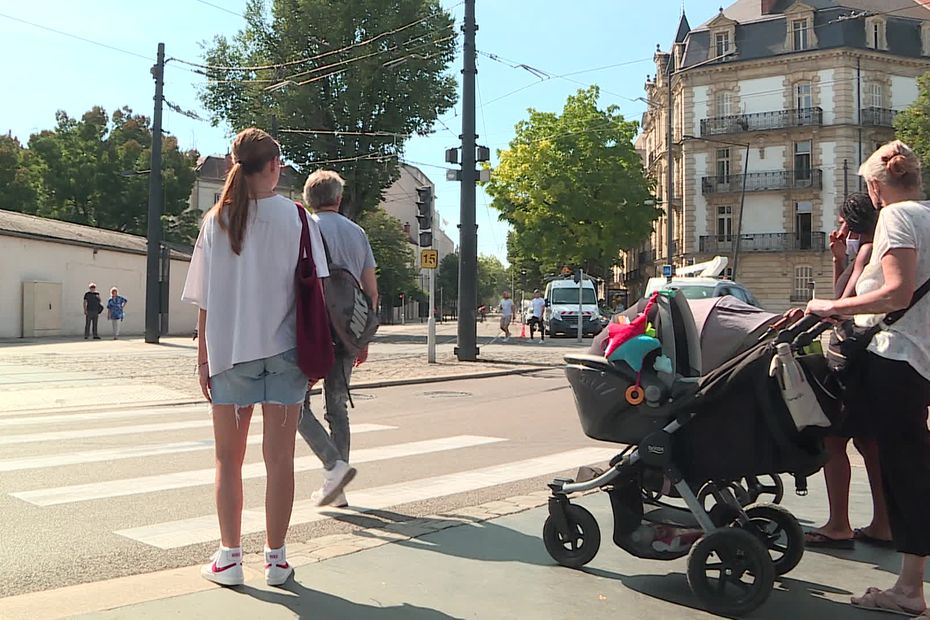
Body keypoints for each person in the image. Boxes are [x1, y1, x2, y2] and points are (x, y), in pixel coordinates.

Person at [181, 128, 329, 588]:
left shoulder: (215, 221)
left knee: (229, 461)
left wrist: (204, 357)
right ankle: (277, 561)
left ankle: (229, 559)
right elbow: (315, 288)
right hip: (286, 353)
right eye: (278, 164)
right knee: (279, 461)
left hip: (229, 355)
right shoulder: (299, 219)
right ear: (272, 167)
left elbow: (203, 300)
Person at [806, 141, 930, 618]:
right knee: (910, 462)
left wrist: (830, 306)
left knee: (906, 470)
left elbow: (895, 293)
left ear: (876, 187)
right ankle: (909, 580)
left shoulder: (897, 217)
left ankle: (909, 589)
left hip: (893, 358)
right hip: (919, 359)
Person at [805, 192, 891, 549]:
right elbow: (846, 292)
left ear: (853, 222)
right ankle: (883, 524)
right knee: (870, 443)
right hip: (873, 359)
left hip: (853, 361)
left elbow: (841, 301)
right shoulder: (871, 252)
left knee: (834, 439)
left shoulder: (868, 251)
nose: (839, 229)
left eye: (842, 222)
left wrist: (817, 307)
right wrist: (840, 260)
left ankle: (838, 523)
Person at [297, 170, 378, 509]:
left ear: (307, 200)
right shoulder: (357, 233)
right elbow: (370, 291)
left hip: (310, 330)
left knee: (295, 404)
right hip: (346, 331)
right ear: (339, 199)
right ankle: (337, 487)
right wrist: (362, 339)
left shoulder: (304, 228)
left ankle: (334, 465)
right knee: (338, 407)